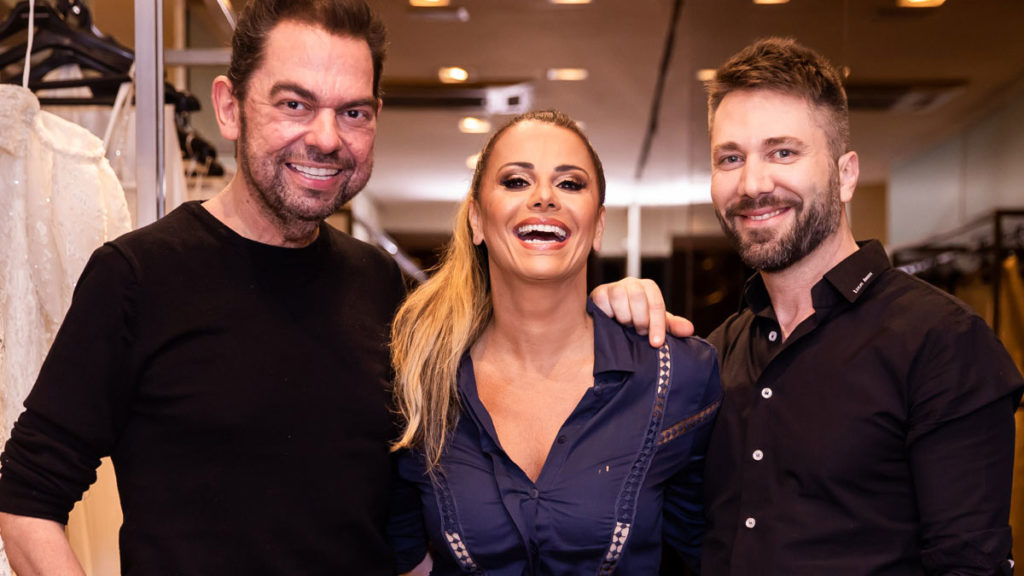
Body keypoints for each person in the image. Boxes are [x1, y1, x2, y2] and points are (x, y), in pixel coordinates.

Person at [0, 1, 405, 574]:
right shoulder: (137, 276)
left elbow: (399, 516)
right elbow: (26, 500)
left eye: (353, 113)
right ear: (229, 108)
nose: (326, 138)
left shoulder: (381, 283)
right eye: (294, 104)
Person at [593, 37, 1024, 575]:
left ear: (846, 175)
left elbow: (970, 566)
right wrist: (598, 328)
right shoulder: (713, 355)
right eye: (731, 158)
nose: (753, 184)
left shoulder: (943, 342)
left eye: (783, 152)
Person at [387, 110, 722, 575]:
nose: (544, 197)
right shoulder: (419, 377)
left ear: (598, 226)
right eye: (516, 181)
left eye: (569, 184)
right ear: (477, 220)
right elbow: (407, 555)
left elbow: (710, 552)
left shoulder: (678, 374)